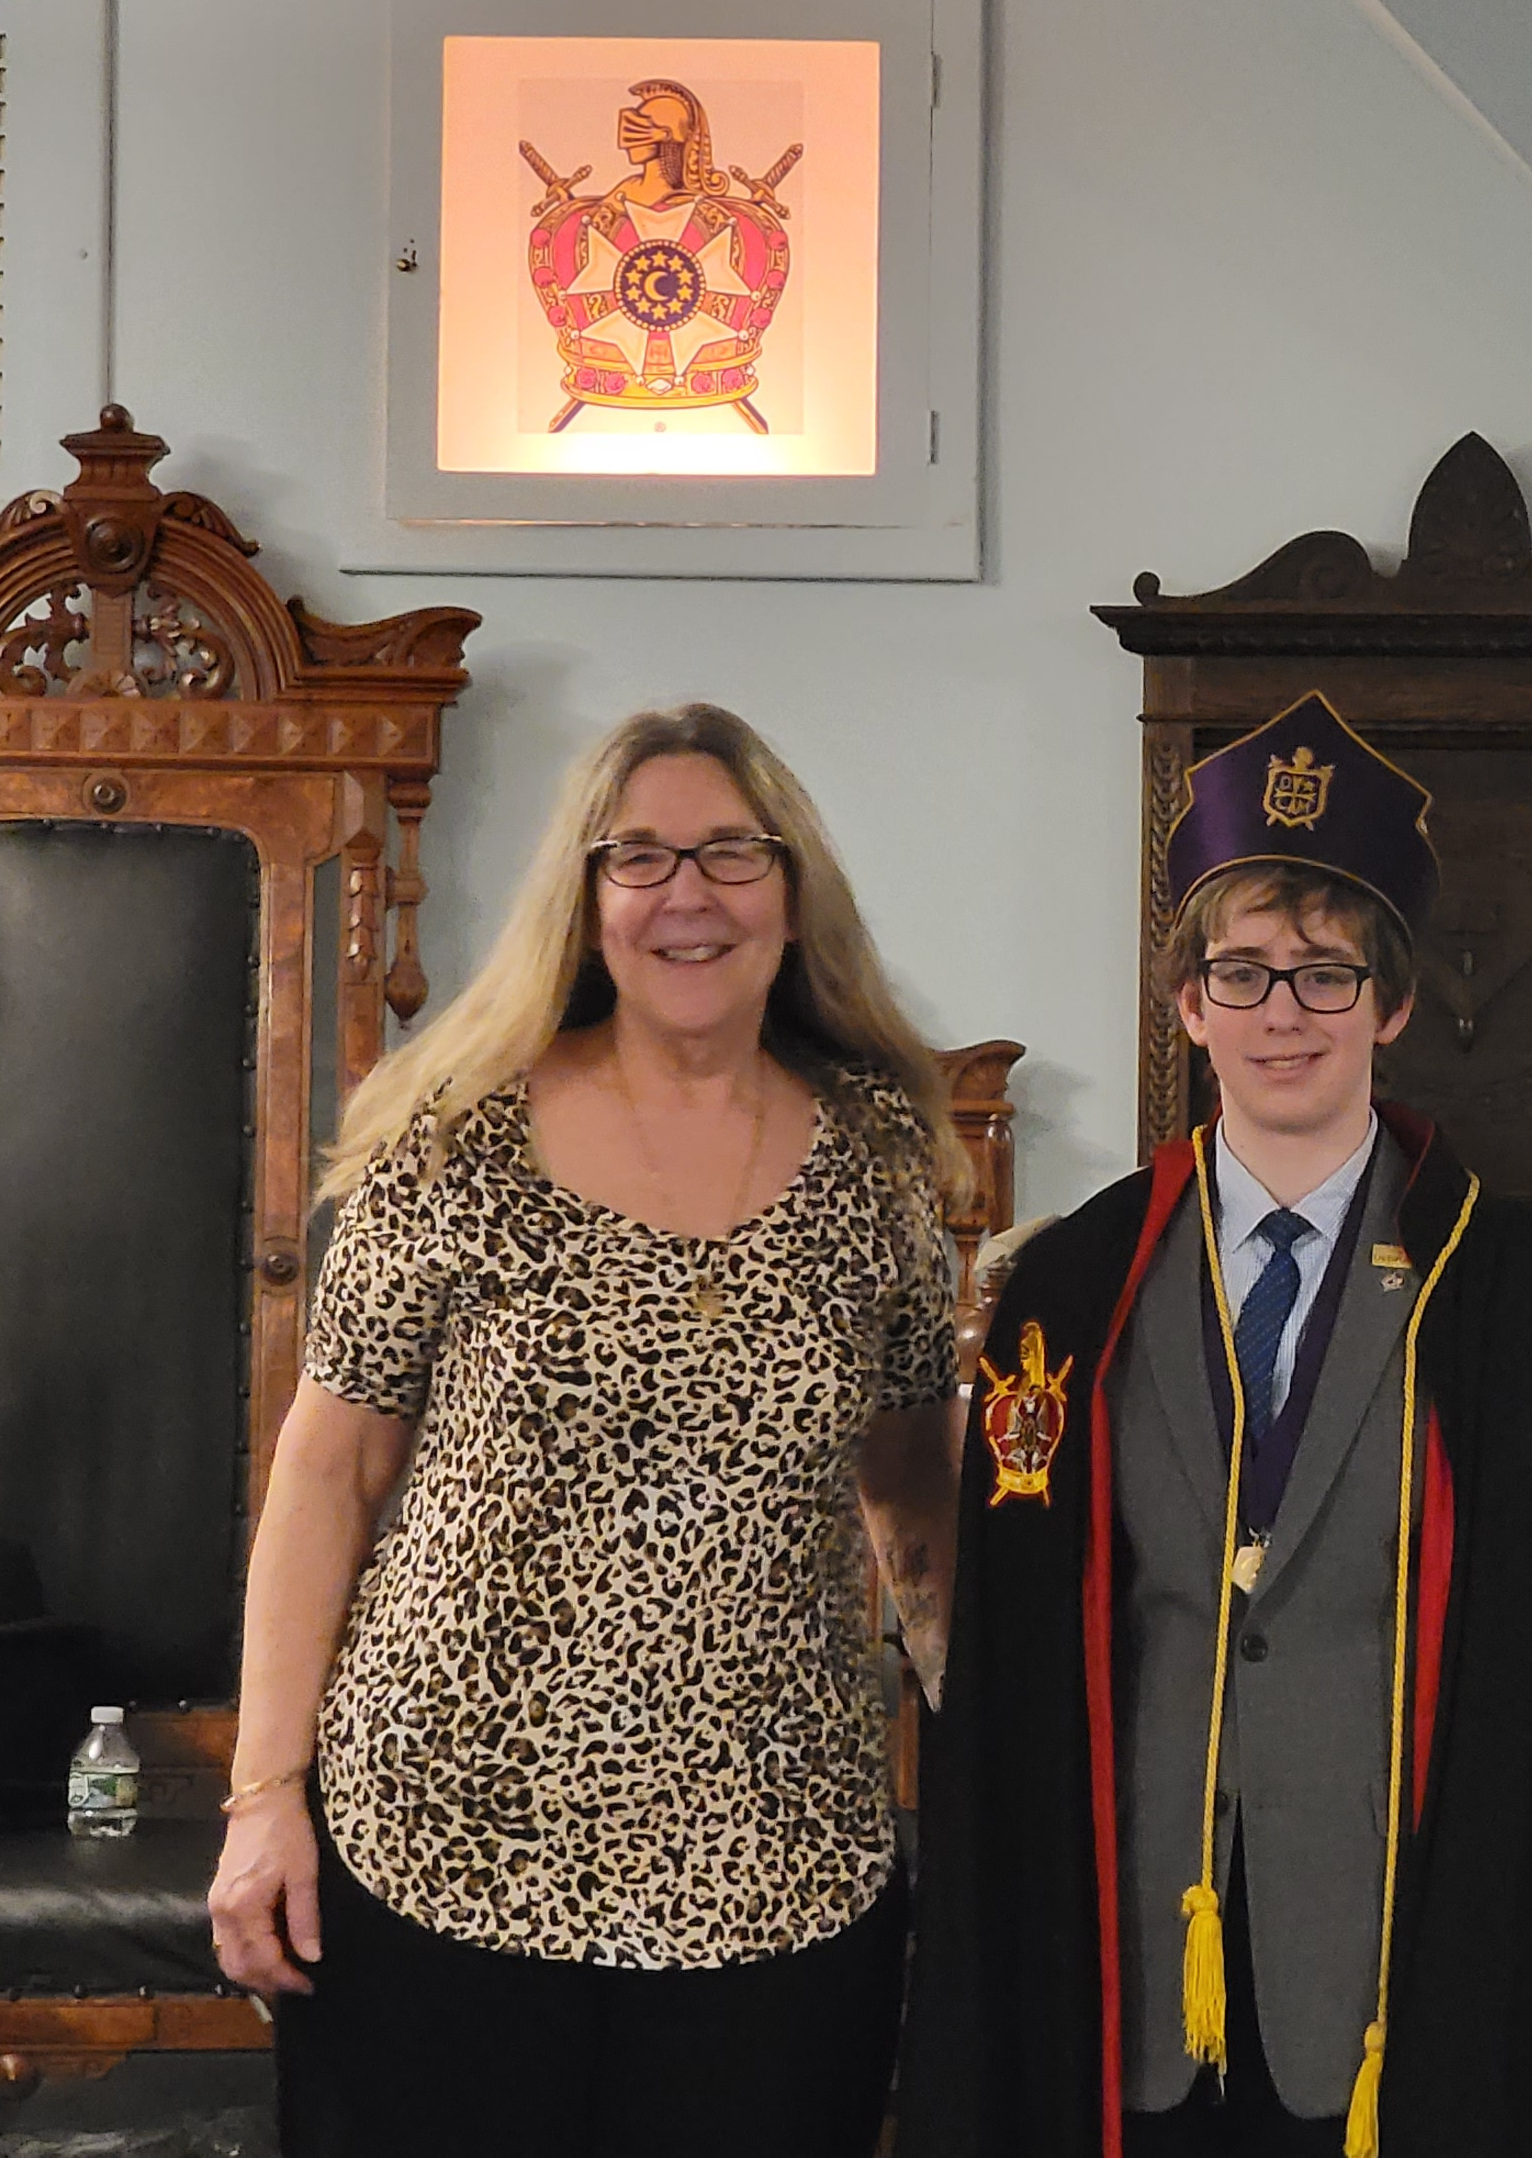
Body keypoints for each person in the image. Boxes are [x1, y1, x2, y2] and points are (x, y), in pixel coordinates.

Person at [901, 692, 1532, 2158]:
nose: (1283, 1014)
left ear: (1391, 1005)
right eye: (1243, 973)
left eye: (1327, 976)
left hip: (1407, 1942)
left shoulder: (1517, 1293)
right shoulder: (1069, 1288)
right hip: (1134, 1937)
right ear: (1187, 1003)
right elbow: (1010, 1663)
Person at [207, 703, 973, 2158]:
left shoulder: (879, 1160)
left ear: (792, 890)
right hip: (444, 1839)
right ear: (586, 897)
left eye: (732, 852)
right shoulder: (453, 1135)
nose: (689, 894)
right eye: (641, 858)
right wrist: (264, 1795)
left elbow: (916, 1495)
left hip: (780, 1866)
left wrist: (989, 1761)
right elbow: (329, 1467)